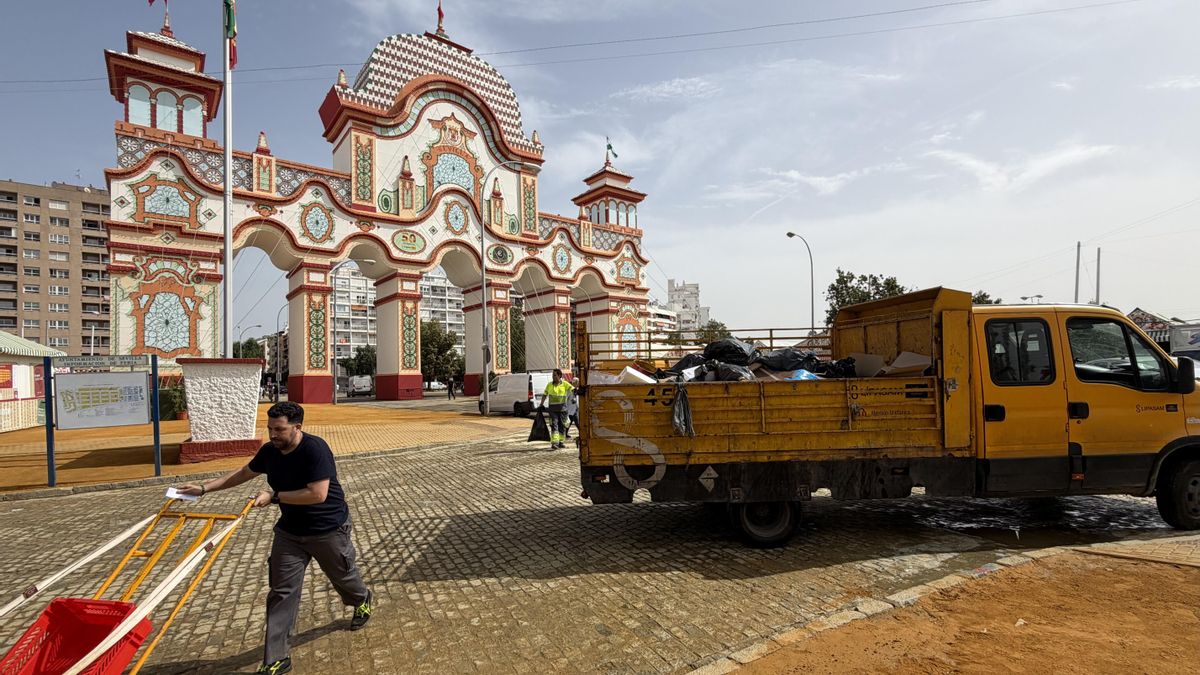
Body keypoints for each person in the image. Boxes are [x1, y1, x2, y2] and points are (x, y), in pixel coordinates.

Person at [175, 402, 373, 675]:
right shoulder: (270, 451)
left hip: (327, 530)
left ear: (297, 427)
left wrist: (274, 497)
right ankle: (276, 659)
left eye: (279, 429)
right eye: (269, 429)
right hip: (290, 533)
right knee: (281, 592)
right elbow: (244, 473)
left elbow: (317, 494)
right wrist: (203, 488)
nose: (273, 435)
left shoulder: (315, 450)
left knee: (343, 576)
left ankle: (362, 599)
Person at [543, 368, 575, 450]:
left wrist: (573, 397)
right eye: (552, 375)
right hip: (553, 410)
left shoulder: (565, 384)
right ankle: (555, 443)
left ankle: (561, 442)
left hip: (563, 410)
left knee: (562, 426)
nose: (553, 377)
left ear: (559, 376)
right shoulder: (549, 385)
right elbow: (545, 394)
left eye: (555, 375)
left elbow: (573, 389)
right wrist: (541, 404)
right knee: (554, 425)